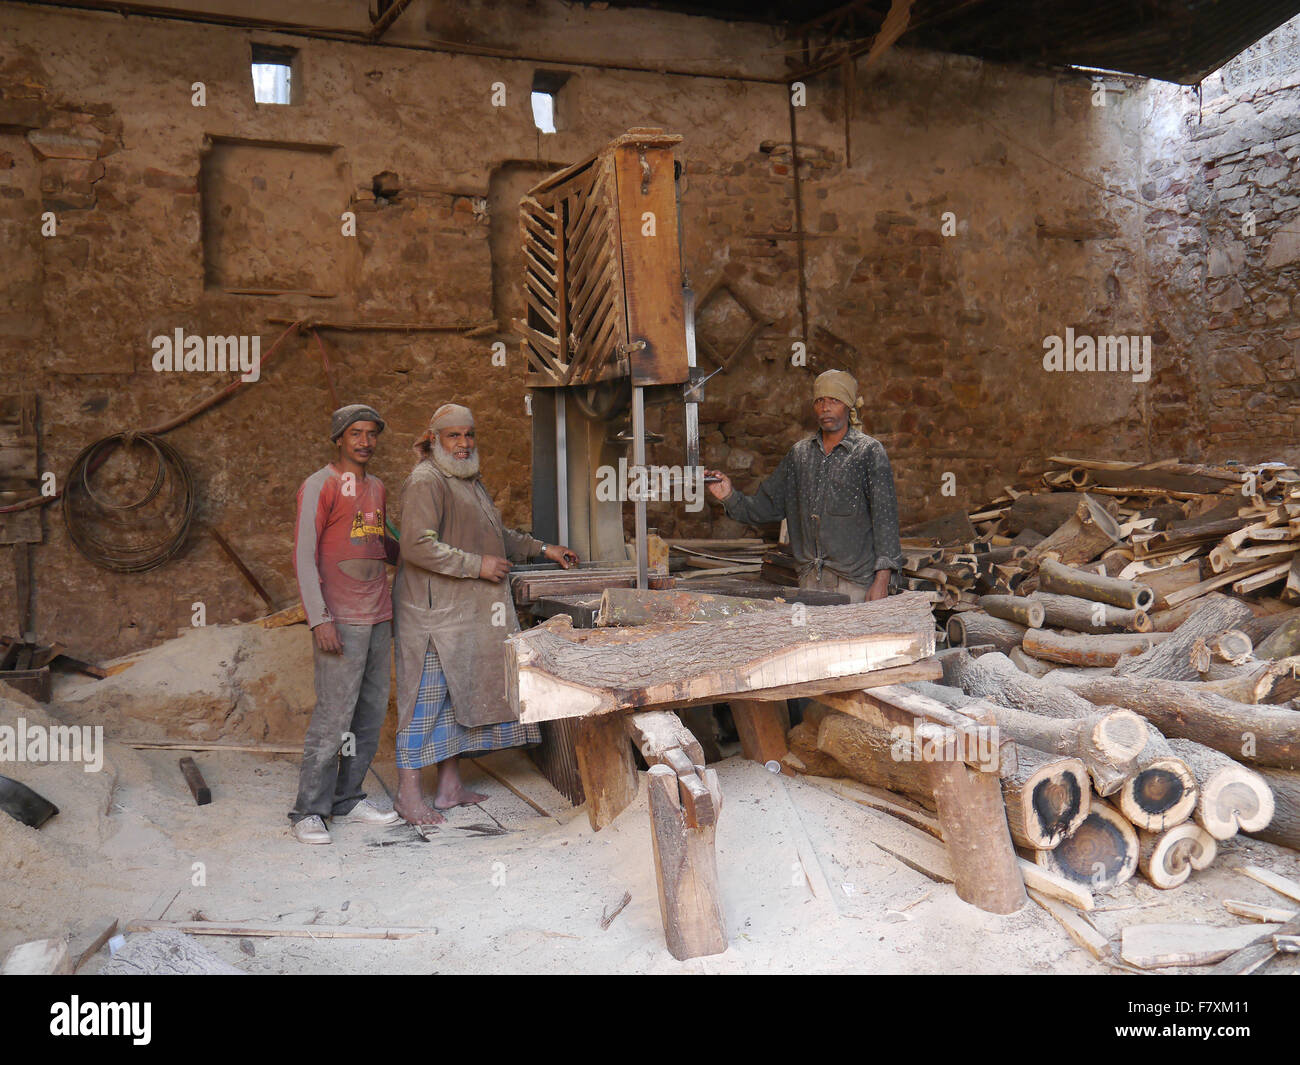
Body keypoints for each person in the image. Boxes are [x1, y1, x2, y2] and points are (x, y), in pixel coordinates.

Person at [392, 403, 579, 825]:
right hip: (433, 618)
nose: (464, 443)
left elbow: (495, 533)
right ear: (436, 439)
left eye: (469, 435)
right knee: (423, 703)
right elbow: (417, 547)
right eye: (454, 436)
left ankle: (449, 787)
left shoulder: (467, 479)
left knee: (456, 703)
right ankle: (407, 796)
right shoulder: (426, 480)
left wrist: (542, 549)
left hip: (465, 618)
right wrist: (478, 565)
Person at [289, 404, 402, 844]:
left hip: (378, 615)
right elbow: (303, 555)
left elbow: (378, 545)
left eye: (372, 433)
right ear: (339, 438)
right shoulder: (320, 486)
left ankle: (347, 797)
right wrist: (319, 618)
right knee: (334, 715)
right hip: (340, 618)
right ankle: (308, 810)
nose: (365, 441)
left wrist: (421, 547)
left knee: (370, 714)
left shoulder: (376, 487)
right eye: (356, 433)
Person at [704, 369, 902, 603]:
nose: (825, 407)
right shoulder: (799, 455)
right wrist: (728, 496)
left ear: (848, 406)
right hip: (810, 582)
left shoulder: (868, 452)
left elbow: (885, 520)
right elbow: (767, 506)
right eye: (820, 401)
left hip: (855, 584)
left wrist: (882, 581)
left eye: (834, 401)